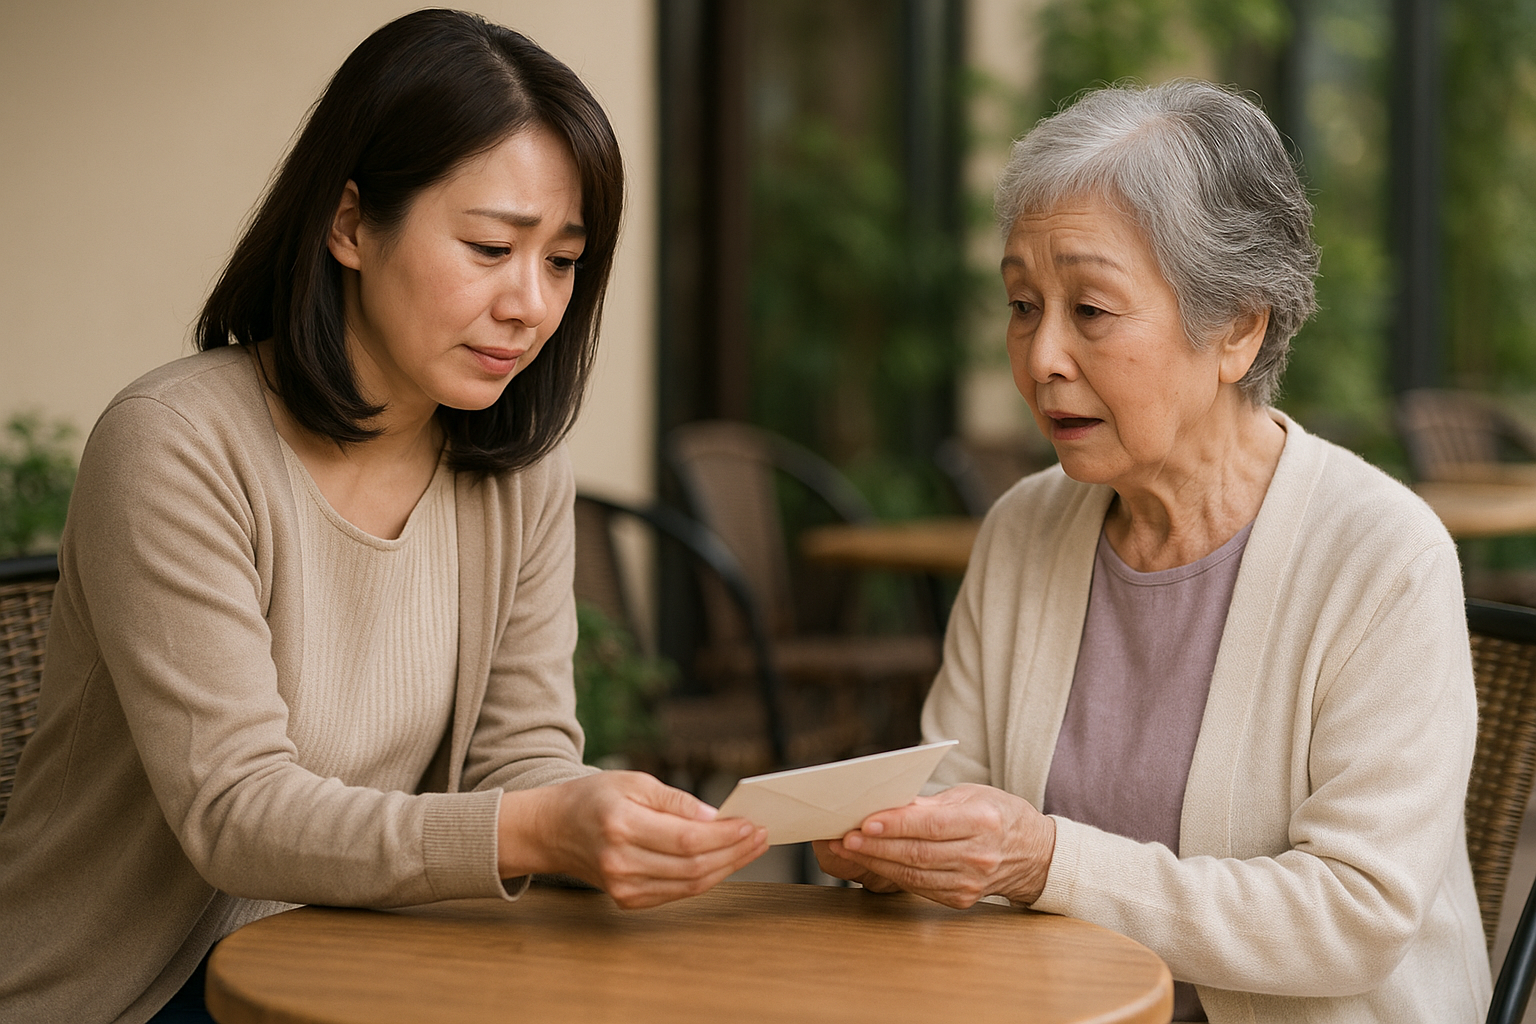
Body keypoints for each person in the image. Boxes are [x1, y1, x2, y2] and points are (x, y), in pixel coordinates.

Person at [0, 11, 766, 1023]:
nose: (530, 304)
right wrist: (535, 830)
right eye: (492, 246)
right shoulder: (175, 442)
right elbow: (234, 813)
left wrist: (602, 816)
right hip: (129, 995)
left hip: (360, 955)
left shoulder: (516, 468)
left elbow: (518, 758)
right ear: (351, 224)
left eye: (563, 262)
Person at [814, 80, 1489, 1023]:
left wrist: (1047, 861)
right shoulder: (1021, 529)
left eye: (1090, 310)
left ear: (1237, 329)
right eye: (1020, 304)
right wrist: (899, 848)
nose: (1041, 355)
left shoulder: (1379, 554)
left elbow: (1358, 915)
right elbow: (950, 788)